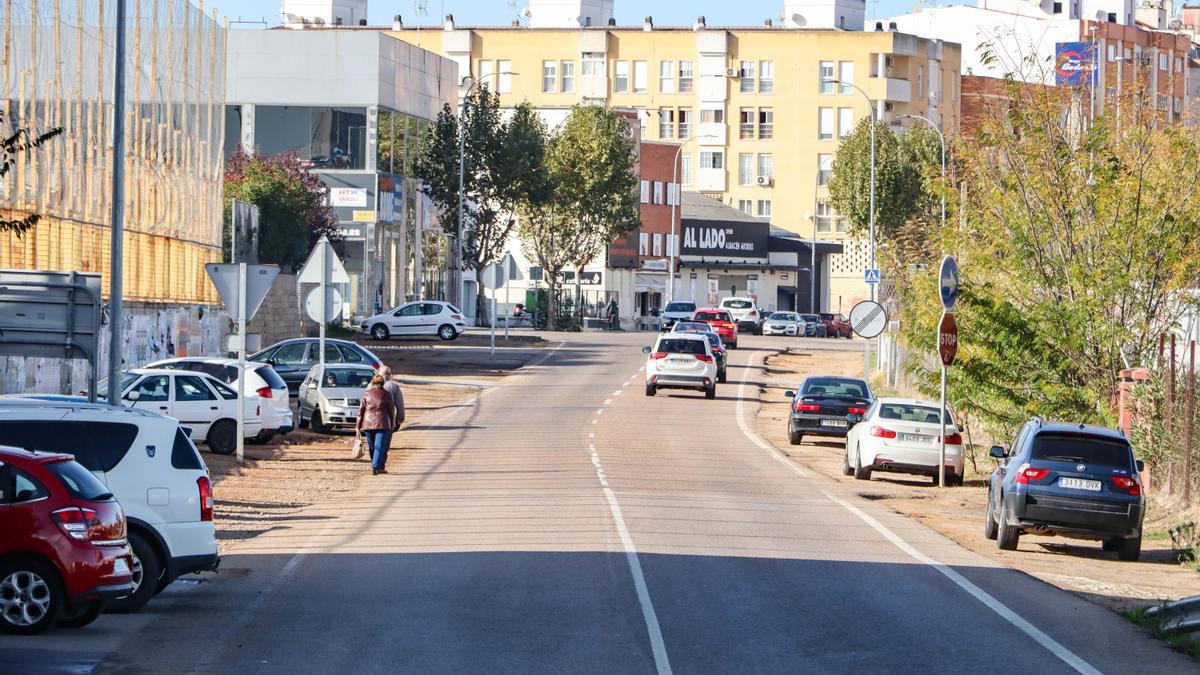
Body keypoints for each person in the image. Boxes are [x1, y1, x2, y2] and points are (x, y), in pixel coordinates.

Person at [356, 375, 395, 476]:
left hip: (367, 423)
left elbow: (360, 411)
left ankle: (377, 466)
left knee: (372, 447)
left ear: (372, 383)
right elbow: (391, 411)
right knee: (379, 446)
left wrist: (358, 427)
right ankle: (375, 466)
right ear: (383, 383)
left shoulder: (366, 394)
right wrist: (392, 423)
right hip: (383, 423)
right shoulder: (387, 394)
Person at [379, 366, 406, 445]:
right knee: (384, 445)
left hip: (371, 421)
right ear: (390, 375)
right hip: (388, 420)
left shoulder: (369, 386)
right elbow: (400, 406)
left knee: (374, 446)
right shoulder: (393, 387)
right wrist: (400, 420)